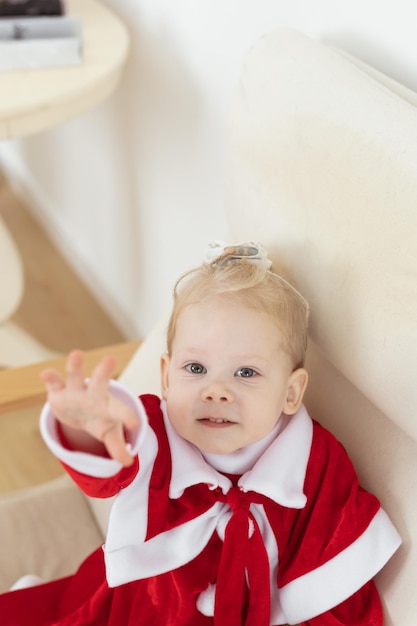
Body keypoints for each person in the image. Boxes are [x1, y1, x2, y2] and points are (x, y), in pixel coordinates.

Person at [0, 242, 401, 625]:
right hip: (145, 607)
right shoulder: (154, 432)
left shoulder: (315, 465)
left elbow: (335, 581)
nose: (216, 390)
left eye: (246, 373)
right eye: (195, 368)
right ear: (166, 377)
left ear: (291, 392)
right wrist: (87, 432)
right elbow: (111, 469)